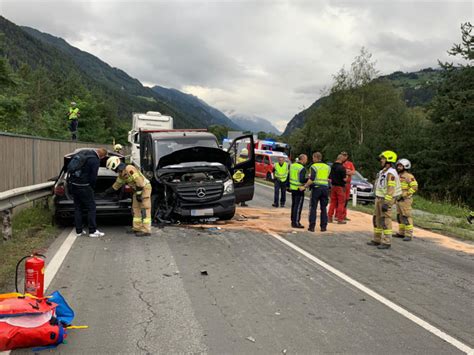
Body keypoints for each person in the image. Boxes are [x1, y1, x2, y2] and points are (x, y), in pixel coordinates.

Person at [105, 157, 153, 236]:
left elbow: (140, 182)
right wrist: (106, 192)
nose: (114, 171)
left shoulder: (129, 168)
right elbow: (117, 185)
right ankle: (137, 228)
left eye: (113, 169)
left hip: (144, 188)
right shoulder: (122, 174)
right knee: (136, 209)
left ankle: (146, 230)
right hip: (137, 190)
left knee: (144, 209)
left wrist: (138, 194)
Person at [70, 148, 107, 238]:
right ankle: (92, 231)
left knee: (78, 207)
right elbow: (93, 176)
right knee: (91, 208)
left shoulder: (83, 153)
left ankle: (79, 231)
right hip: (84, 186)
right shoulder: (95, 160)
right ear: (102, 156)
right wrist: (92, 187)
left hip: (74, 184)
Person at [368, 150, 402, 250]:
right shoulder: (383, 172)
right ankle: (377, 239)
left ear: (389, 160)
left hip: (385, 199)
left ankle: (387, 241)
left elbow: (390, 189)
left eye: (383, 159)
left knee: (385, 220)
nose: (381, 160)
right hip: (379, 198)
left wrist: (386, 203)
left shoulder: (391, 173)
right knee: (377, 218)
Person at [302, 152, 330, 232]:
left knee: (313, 208)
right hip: (325, 189)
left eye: (313, 158)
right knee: (323, 208)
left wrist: (305, 186)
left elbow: (312, 178)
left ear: (316, 158)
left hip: (316, 188)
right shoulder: (327, 167)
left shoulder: (314, 166)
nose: (312, 159)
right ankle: (323, 227)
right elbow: (328, 178)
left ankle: (312, 226)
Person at [393, 159, 418, 241]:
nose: (399, 167)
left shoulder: (409, 176)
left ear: (406, 166)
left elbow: (414, 187)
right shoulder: (398, 175)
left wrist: (405, 195)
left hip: (405, 200)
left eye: (401, 166)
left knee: (406, 216)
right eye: (398, 166)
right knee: (399, 217)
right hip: (398, 199)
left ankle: (408, 234)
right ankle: (401, 232)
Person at [289, 154, 308, 228]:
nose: (306, 161)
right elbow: (301, 180)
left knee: (294, 205)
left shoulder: (292, 165)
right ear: (302, 159)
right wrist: (308, 179)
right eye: (306, 159)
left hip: (293, 187)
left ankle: (293, 220)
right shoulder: (302, 168)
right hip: (299, 188)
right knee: (298, 206)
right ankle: (296, 222)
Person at [328, 155, 347, 224]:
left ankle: (329, 217)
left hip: (333, 186)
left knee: (333, 202)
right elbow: (344, 179)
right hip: (340, 187)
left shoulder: (332, 167)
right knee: (341, 203)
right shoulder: (342, 168)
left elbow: (330, 177)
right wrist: (346, 177)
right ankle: (340, 219)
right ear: (341, 159)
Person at [341, 151, 355, 221]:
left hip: (348, 184)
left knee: (346, 200)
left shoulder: (350, 163)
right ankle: (338, 215)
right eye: (343, 155)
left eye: (345, 155)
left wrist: (348, 172)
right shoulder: (339, 163)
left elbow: (353, 172)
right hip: (341, 184)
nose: (344, 157)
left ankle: (344, 215)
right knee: (341, 200)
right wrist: (348, 172)